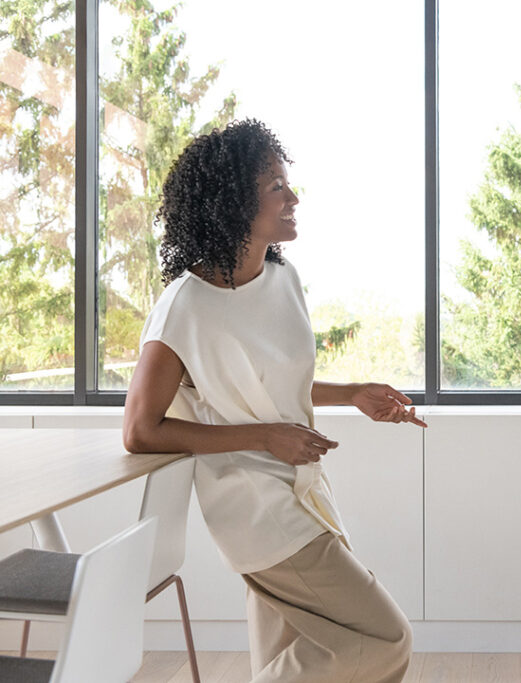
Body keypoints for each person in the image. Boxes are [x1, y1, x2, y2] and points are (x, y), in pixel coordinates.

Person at [122, 119, 420, 683]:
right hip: (254, 507)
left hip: (305, 491)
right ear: (235, 201)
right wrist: (264, 437)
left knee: (299, 653)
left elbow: (269, 384)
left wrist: (352, 393)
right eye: (276, 187)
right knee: (386, 638)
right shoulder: (184, 308)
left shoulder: (284, 279)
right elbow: (140, 429)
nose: (293, 198)